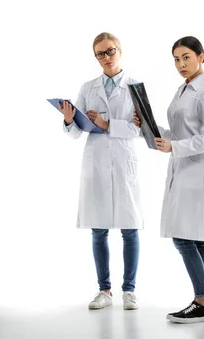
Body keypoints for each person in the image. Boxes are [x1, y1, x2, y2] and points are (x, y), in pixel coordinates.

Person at [133, 36, 204, 322]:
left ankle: (203, 301)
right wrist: (149, 127)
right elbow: (178, 133)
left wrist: (176, 147)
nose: (181, 64)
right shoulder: (182, 89)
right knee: (195, 239)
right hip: (180, 167)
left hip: (195, 171)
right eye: (176, 59)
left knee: (185, 239)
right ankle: (203, 301)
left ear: (201, 57)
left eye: (186, 57)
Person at [59, 32, 142, 310]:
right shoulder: (88, 87)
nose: (106, 58)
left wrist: (108, 125)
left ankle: (129, 290)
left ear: (120, 50)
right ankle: (104, 290)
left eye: (110, 51)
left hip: (123, 162)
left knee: (129, 229)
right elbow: (76, 132)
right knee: (99, 230)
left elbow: (140, 129)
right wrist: (70, 120)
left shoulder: (135, 87)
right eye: (100, 54)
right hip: (95, 162)